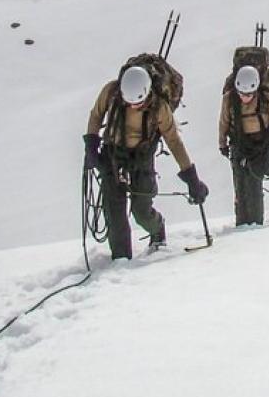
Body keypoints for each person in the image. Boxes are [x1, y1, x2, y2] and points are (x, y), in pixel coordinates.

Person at [85, 62, 207, 258]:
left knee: (141, 210)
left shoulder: (159, 107)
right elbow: (96, 115)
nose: (134, 106)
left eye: (139, 103)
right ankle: (121, 259)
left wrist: (191, 177)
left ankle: (157, 228)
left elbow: (173, 141)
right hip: (112, 155)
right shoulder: (111, 91)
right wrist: (91, 145)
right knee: (114, 211)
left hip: (141, 158)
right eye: (130, 102)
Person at [218, 64, 269, 227]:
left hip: (261, 147)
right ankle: (242, 223)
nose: (244, 97)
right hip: (239, 146)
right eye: (241, 94)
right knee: (240, 186)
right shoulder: (229, 99)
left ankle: (255, 224)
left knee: (254, 186)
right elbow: (223, 122)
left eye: (248, 94)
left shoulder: (267, 99)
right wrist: (222, 143)